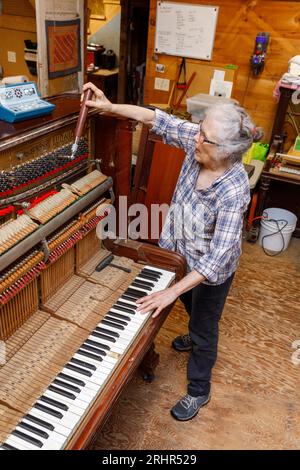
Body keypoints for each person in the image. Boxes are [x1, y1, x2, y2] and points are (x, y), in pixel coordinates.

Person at [82, 82, 263, 421]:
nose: (194, 137)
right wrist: (110, 107)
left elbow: (217, 257)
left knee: (205, 330)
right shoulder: (201, 144)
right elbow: (157, 119)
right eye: (198, 131)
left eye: (203, 136)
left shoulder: (234, 189)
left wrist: (171, 291)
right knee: (186, 304)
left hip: (209, 274)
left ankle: (199, 390)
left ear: (225, 149)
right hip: (179, 256)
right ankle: (190, 326)